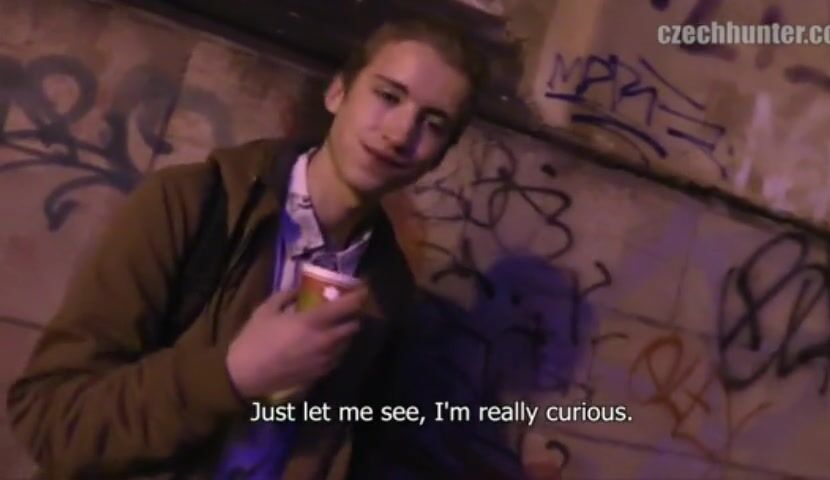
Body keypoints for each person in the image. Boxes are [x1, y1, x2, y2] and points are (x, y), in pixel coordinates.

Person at [7, 18, 487, 479]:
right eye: (388, 96)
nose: (400, 133)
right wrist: (233, 374)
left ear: (440, 157)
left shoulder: (387, 292)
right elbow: (50, 417)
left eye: (433, 123)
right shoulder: (191, 205)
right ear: (337, 93)